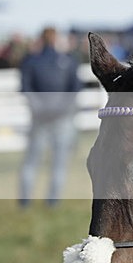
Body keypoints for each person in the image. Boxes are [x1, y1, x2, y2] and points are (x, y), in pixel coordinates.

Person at [19, 27, 81, 207]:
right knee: (59, 163)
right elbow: (75, 88)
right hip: (60, 118)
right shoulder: (67, 61)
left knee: (32, 161)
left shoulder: (31, 61)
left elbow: (26, 88)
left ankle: (25, 201)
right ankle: (53, 201)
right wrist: (61, 108)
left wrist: (40, 108)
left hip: (41, 117)